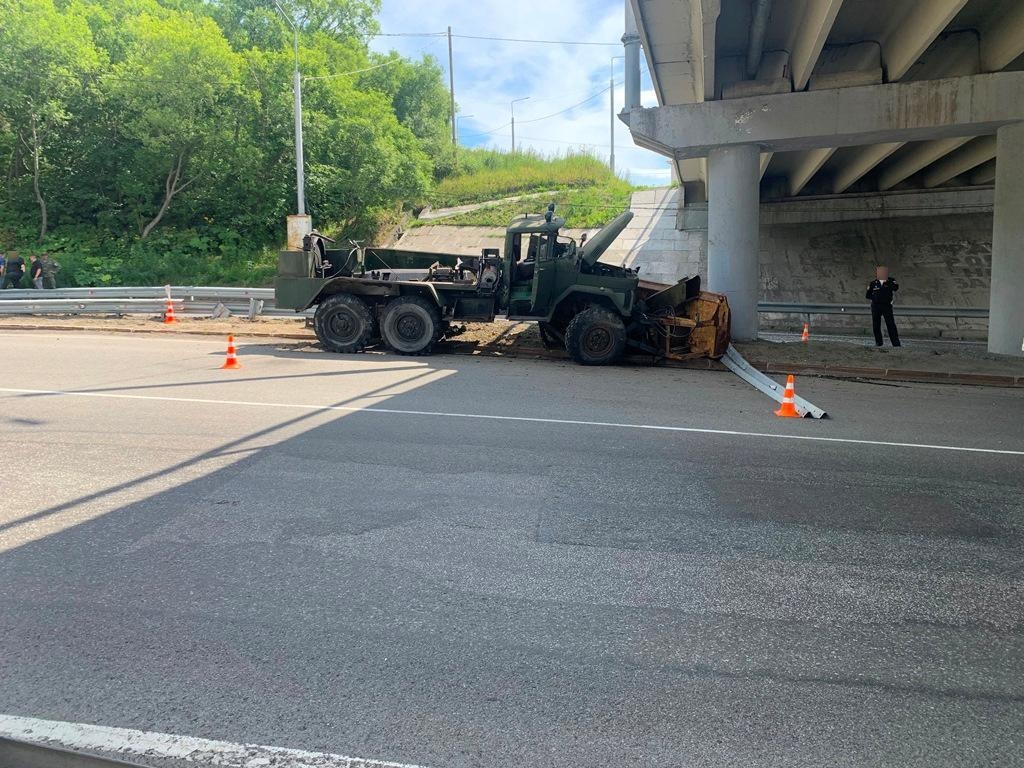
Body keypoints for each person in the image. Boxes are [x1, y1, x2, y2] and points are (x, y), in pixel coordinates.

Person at [865, 265, 901, 347]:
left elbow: (895, 288)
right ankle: (878, 343)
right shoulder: (873, 283)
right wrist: (875, 298)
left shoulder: (891, 281)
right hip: (876, 306)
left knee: (890, 324)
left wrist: (887, 282)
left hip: (886, 306)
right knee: (876, 325)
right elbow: (867, 295)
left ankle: (896, 344)